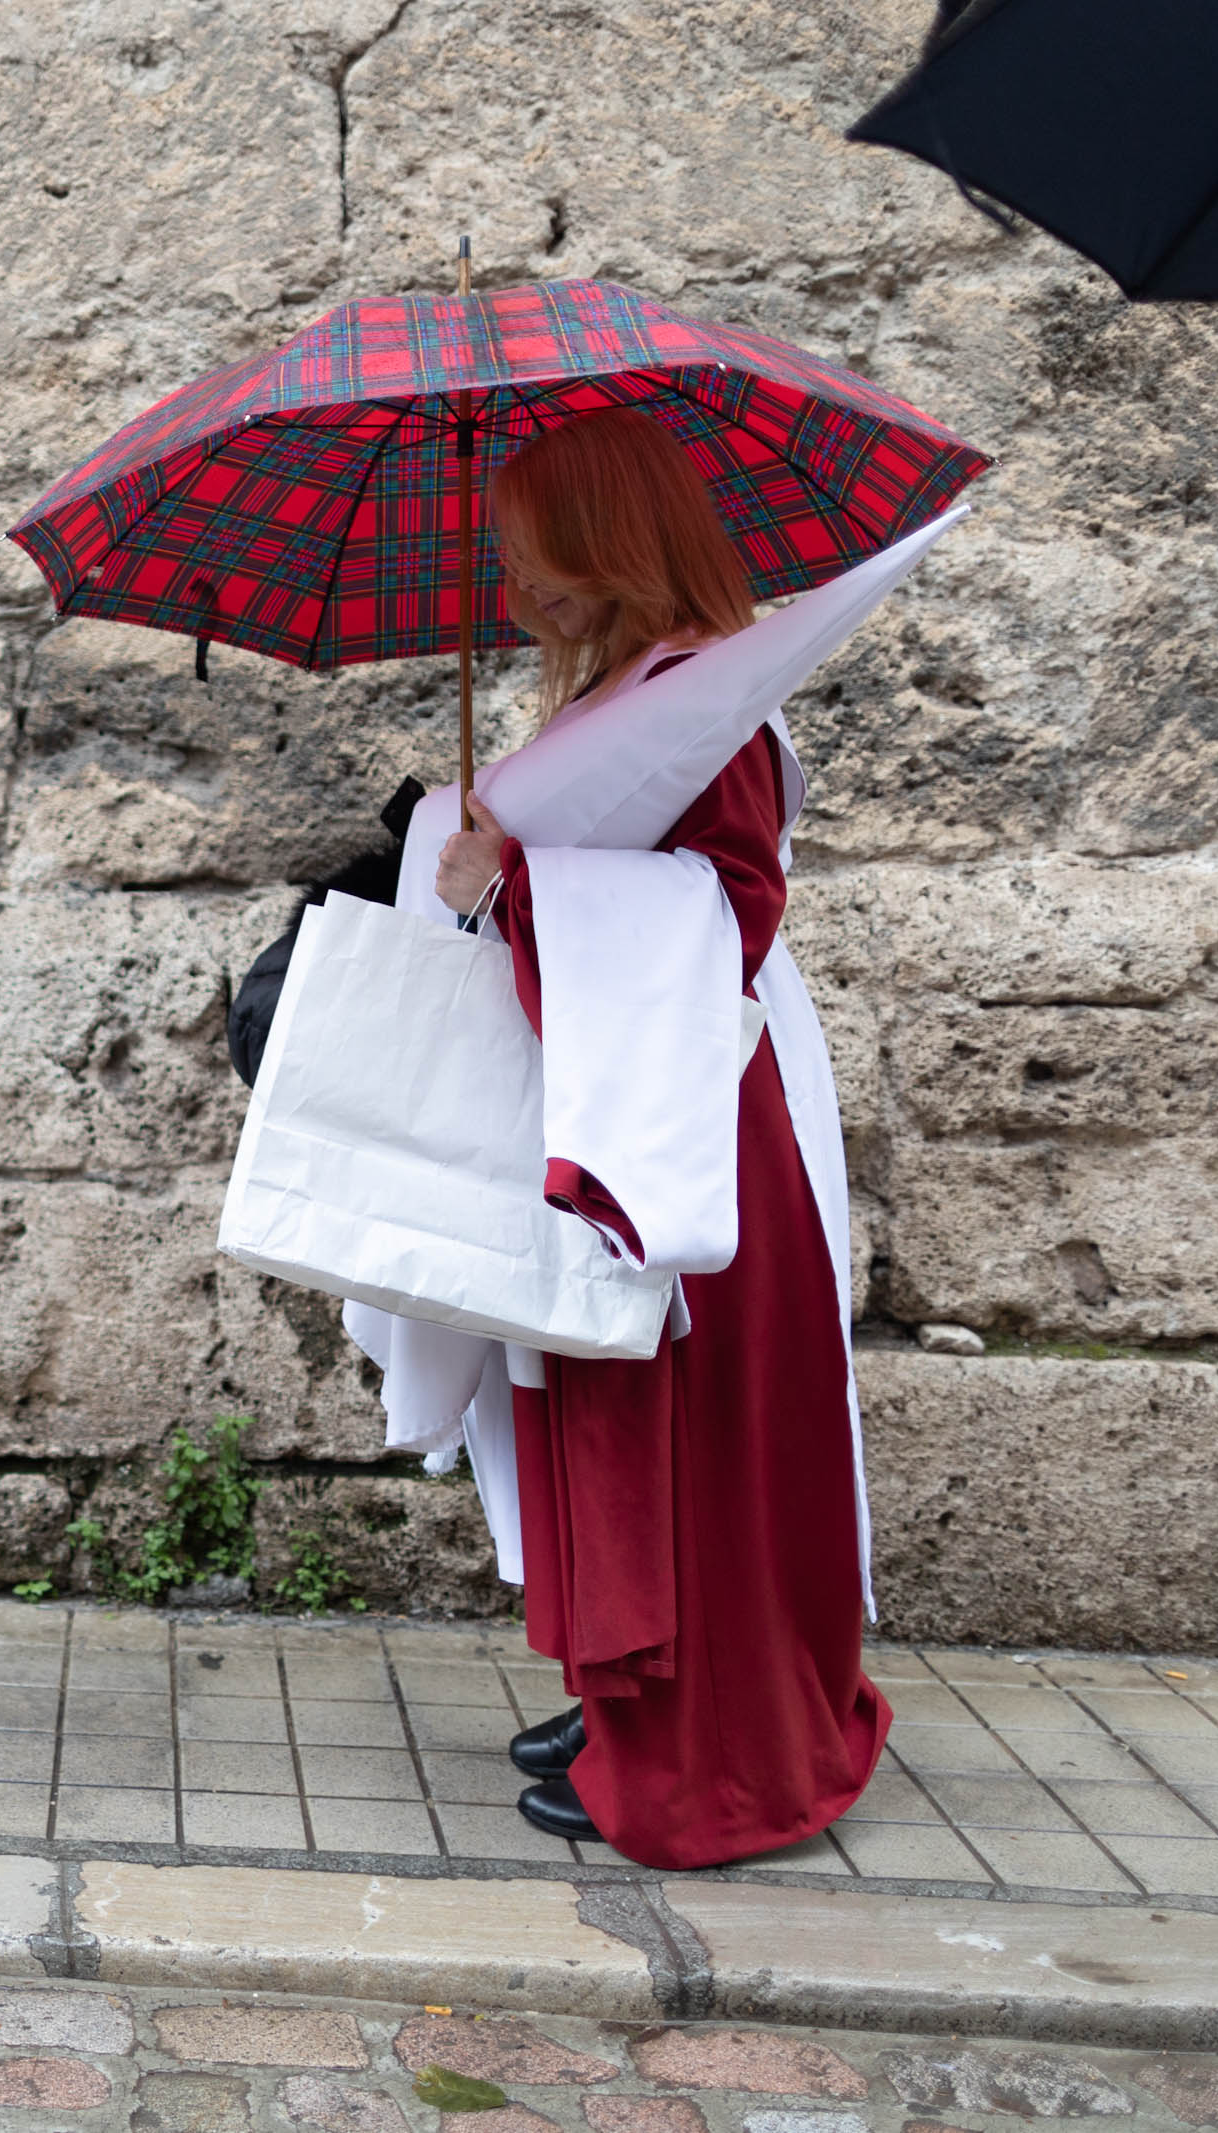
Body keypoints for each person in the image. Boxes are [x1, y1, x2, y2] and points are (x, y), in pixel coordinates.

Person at [425, 409, 889, 1869]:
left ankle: (713, 1746)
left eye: (539, 564)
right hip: (641, 1105)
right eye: (510, 568)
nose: (520, 601)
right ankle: (638, 1696)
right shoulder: (637, 691)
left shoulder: (712, 706)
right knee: (620, 1413)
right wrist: (494, 868)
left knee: (690, 1431)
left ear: (615, 545)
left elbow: (725, 913)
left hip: (697, 1125)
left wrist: (521, 887)